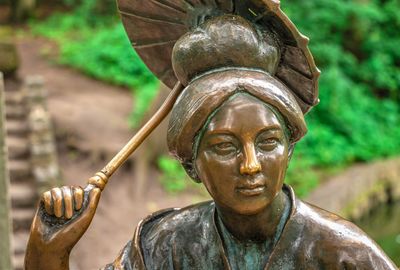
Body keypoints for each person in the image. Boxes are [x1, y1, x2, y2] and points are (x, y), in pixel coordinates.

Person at [25, 15, 397, 270]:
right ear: (191, 165)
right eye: (225, 146)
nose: (250, 164)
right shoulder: (164, 246)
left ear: (290, 149)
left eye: (268, 142)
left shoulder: (345, 253)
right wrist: (48, 253)